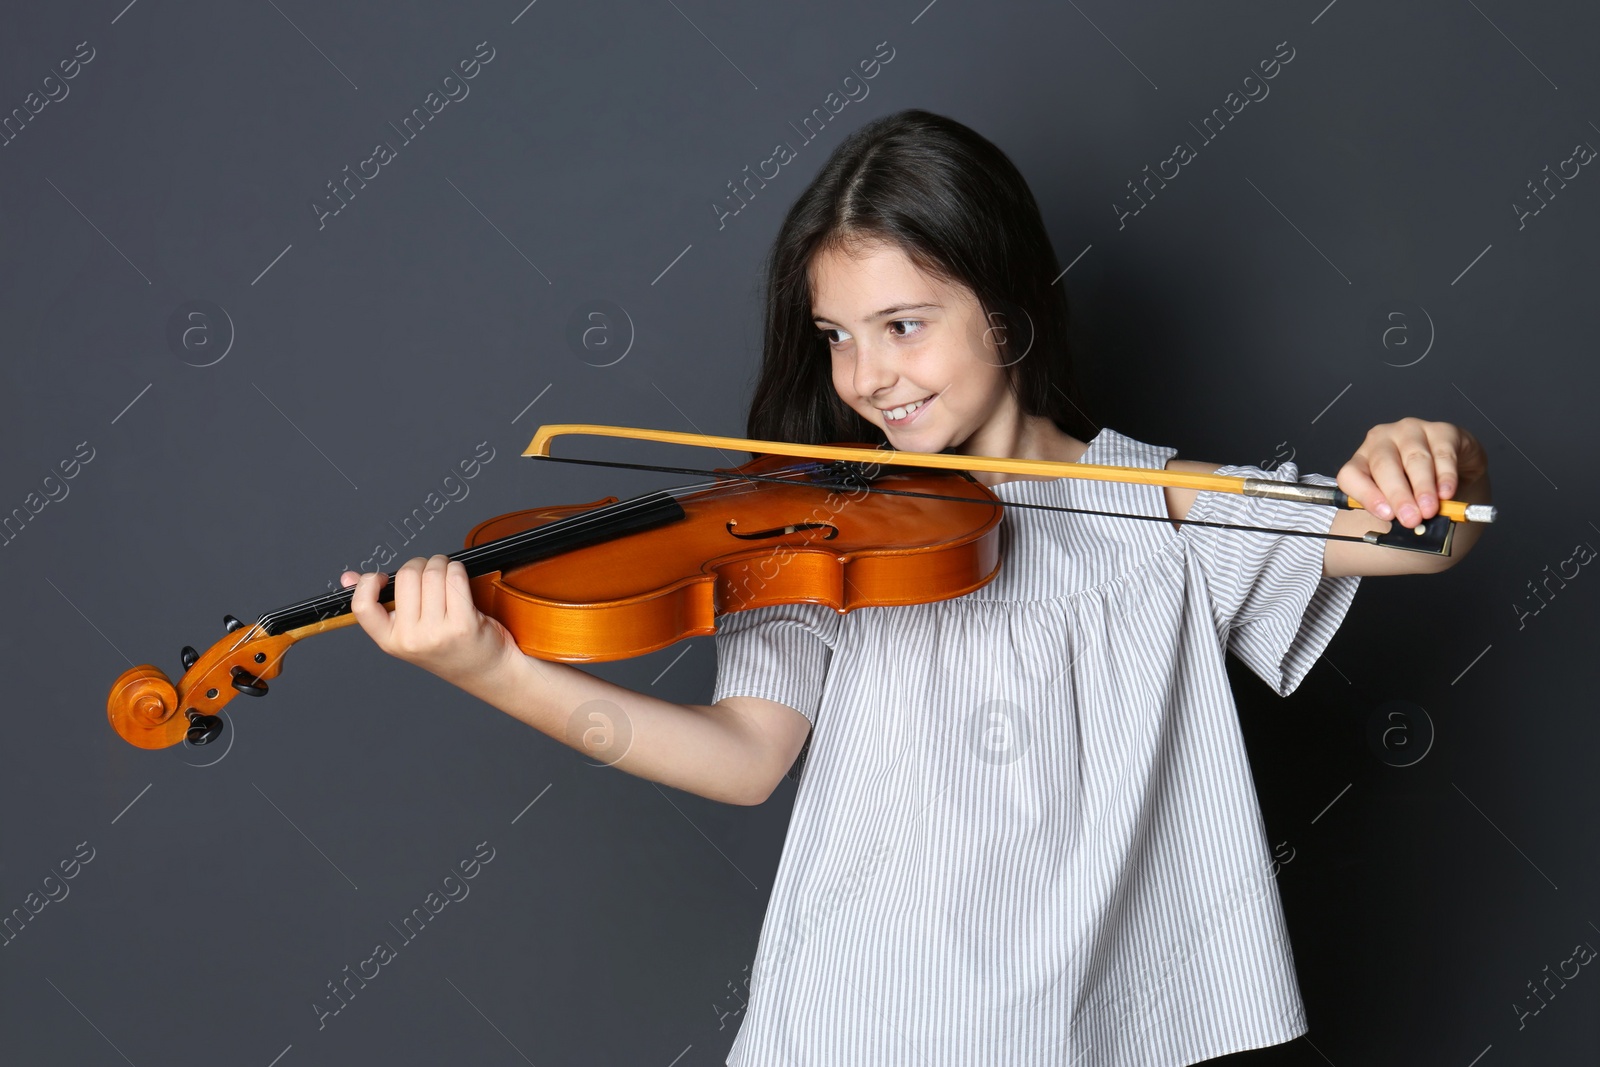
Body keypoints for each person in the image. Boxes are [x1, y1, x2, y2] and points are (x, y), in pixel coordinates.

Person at [341, 110, 1492, 1065]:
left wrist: (1427, 451)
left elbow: (1425, 538)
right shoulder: (823, 526)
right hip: (862, 1024)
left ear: (1004, 305)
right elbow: (743, 757)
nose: (867, 376)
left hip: (1095, 1034)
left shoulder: (1159, 504)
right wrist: (492, 667)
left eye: (902, 324)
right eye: (837, 336)